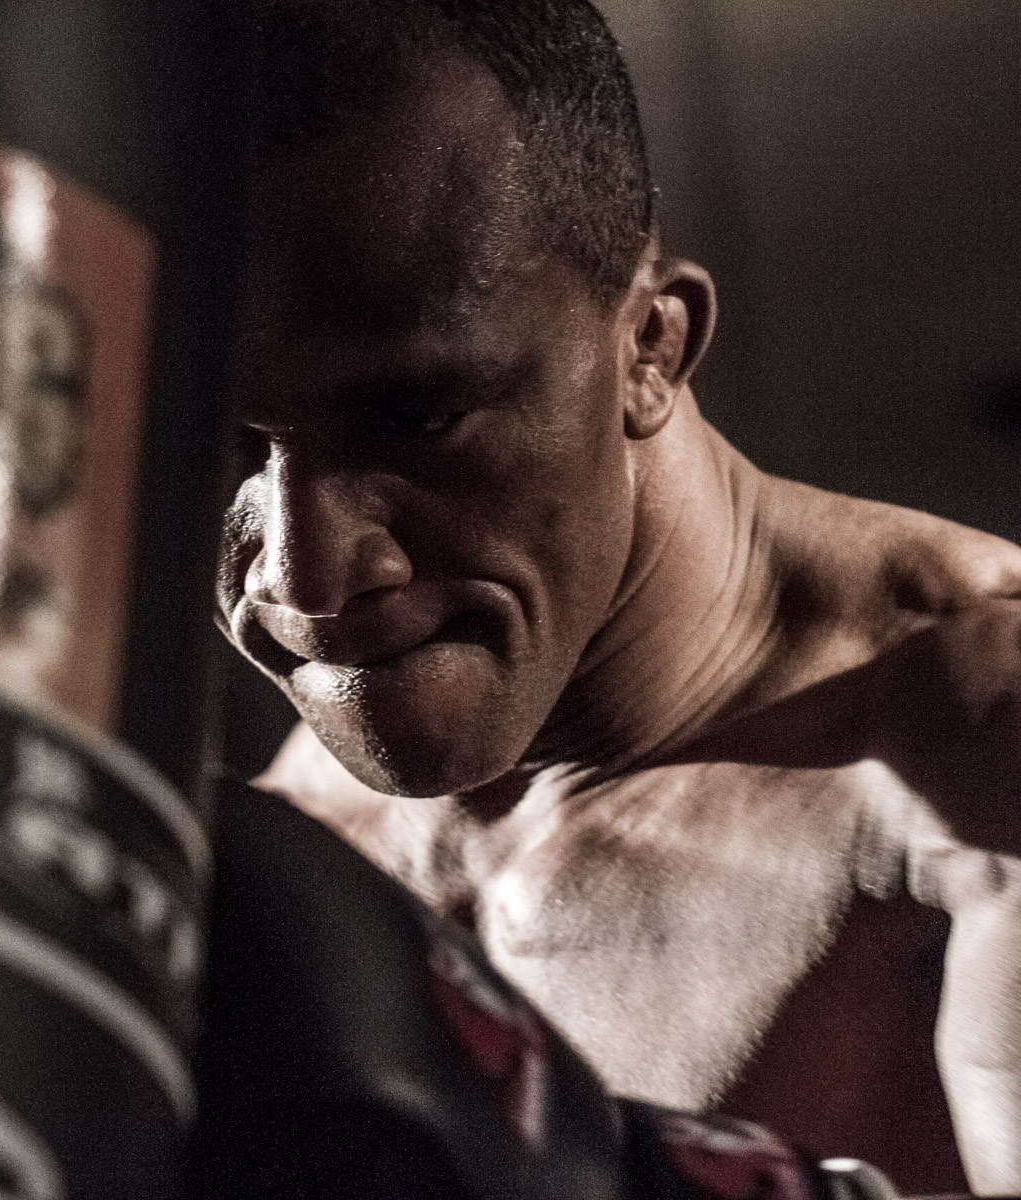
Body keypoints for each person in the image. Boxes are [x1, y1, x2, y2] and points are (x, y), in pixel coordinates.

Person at [217, 1, 1021, 1193]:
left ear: (649, 345)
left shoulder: (979, 752)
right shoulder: (245, 859)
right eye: (213, 448)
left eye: (418, 419)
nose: (309, 578)